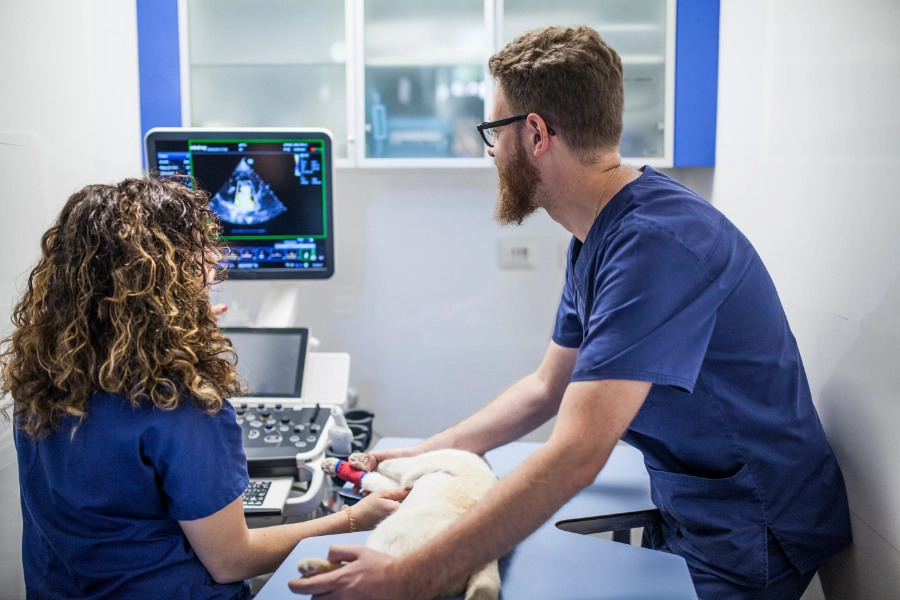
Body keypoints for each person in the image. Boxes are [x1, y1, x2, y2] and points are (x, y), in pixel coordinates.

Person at [289, 25, 852, 600]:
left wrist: (407, 576)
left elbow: (579, 449)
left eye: (493, 131)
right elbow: (545, 387)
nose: (490, 151)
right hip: (699, 506)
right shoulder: (596, 235)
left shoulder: (656, 244)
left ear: (534, 133)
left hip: (753, 526)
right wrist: (431, 450)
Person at [0, 177, 409, 599]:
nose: (213, 257)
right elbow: (232, 559)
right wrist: (358, 518)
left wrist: (164, 331)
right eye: (198, 248)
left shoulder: (42, 374)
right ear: (163, 274)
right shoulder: (177, 399)